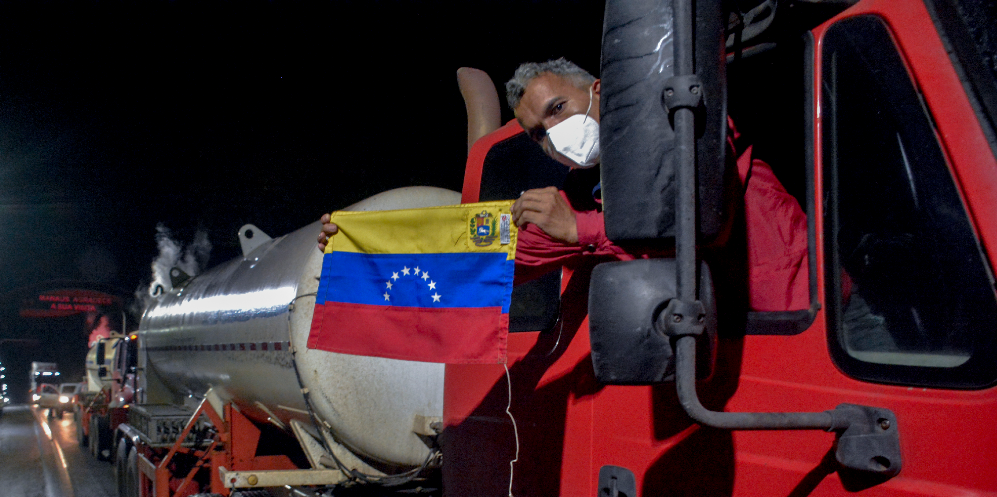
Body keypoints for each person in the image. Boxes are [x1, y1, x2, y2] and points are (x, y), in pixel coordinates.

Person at [319, 58, 808, 311]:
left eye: (558, 109)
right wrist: (365, 248)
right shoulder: (581, 196)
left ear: (600, 89)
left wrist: (582, 230)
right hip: (733, 364)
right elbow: (493, 262)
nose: (554, 137)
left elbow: (698, 220)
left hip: (818, 328)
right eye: (538, 134)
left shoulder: (683, 124)